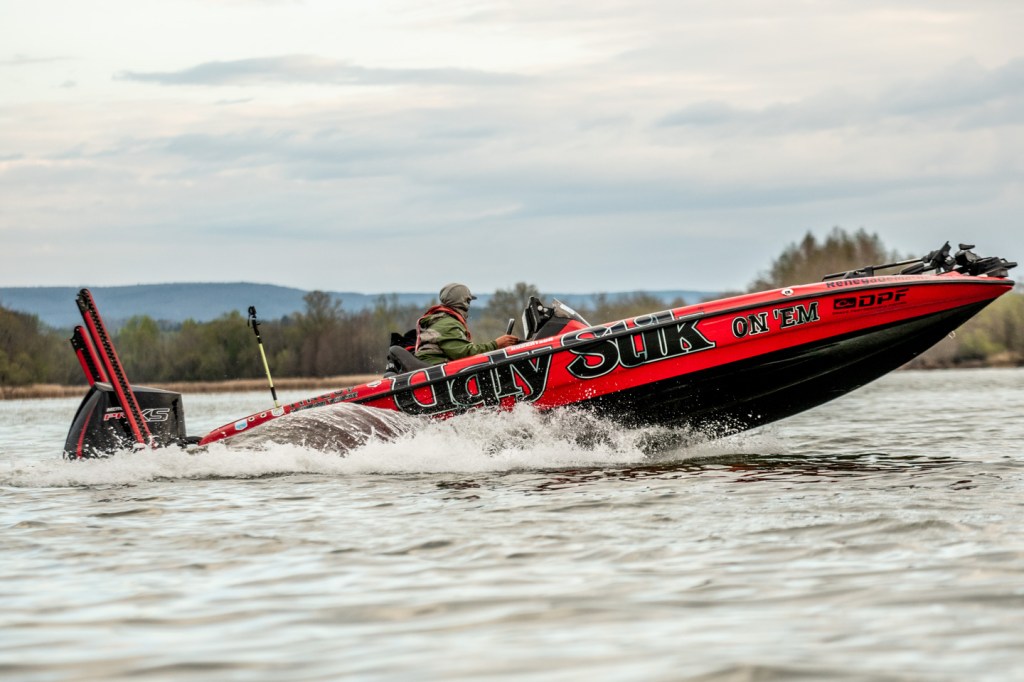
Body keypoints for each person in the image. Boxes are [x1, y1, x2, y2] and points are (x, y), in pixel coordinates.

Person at [414, 283, 519, 365]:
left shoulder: (444, 320)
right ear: (465, 301)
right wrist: (496, 344)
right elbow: (464, 354)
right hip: (437, 372)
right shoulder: (448, 324)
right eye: (469, 301)